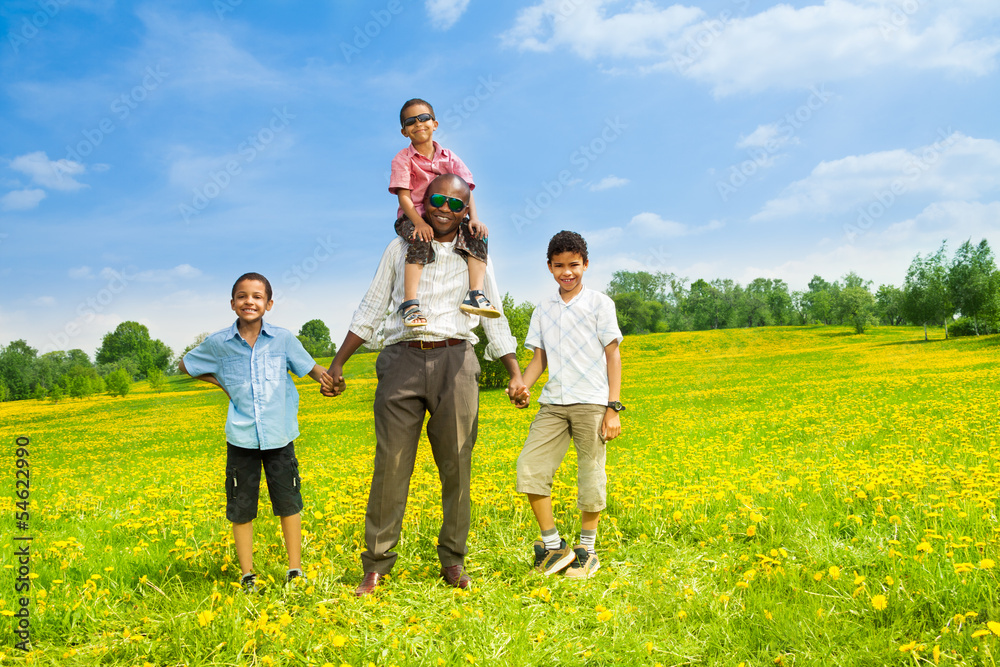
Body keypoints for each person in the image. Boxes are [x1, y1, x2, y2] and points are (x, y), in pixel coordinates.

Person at [323, 174, 525, 596]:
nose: (445, 209)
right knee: (391, 467)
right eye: (437, 199)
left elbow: (496, 314)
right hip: (402, 359)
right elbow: (373, 305)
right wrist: (338, 363)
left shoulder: (476, 254)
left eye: (456, 204)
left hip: (456, 360)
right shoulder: (400, 248)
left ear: (467, 209)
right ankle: (376, 564)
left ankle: (453, 559)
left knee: (457, 464)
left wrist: (514, 371)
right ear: (424, 200)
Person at [179, 272, 333, 592]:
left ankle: (294, 569)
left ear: (269, 304)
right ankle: (247, 574)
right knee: (241, 506)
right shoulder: (219, 344)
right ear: (233, 304)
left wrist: (329, 379)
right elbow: (186, 365)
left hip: (279, 436)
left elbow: (311, 367)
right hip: (242, 438)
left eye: (257, 296)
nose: (250, 301)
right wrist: (219, 381)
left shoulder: (283, 339)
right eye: (242, 296)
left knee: (288, 502)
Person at [508, 231, 624, 579]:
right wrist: (521, 387)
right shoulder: (543, 309)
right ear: (549, 267)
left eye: (573, 264)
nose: (567, 272)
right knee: (529, 467)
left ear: (585, 265)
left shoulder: (600, 304)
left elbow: (613, 355)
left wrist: (612, 407)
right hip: (553, 404)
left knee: (590, 474)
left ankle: (587, 549)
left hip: (591, 401)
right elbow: (538, 361)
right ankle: (554, 545)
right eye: (559, 266)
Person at [389, 98, 500, 327]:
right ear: (404, 131)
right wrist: (419, 223)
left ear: (435, 123)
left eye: (423, 118)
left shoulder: (449, 157)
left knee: (478, 234)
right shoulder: (403, 159)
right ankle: (410, 303)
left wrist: (474, 219)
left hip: (446, 216)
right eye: (411, 121)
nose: (418, 123)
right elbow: (404, 197)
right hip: (414, 216)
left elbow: (467, 190)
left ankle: (475, 294)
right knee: (419, 239)